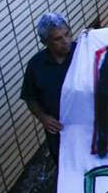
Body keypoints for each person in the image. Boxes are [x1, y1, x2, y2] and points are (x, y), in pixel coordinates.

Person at [20, 13, 75, 163]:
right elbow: (30, 97)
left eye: (67, 34)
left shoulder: (84, 53)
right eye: (58, 39)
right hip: (60, 132)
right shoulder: (36, 66)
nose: (66, 41)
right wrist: (42, 117)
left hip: (90, 125)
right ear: (45, 42)